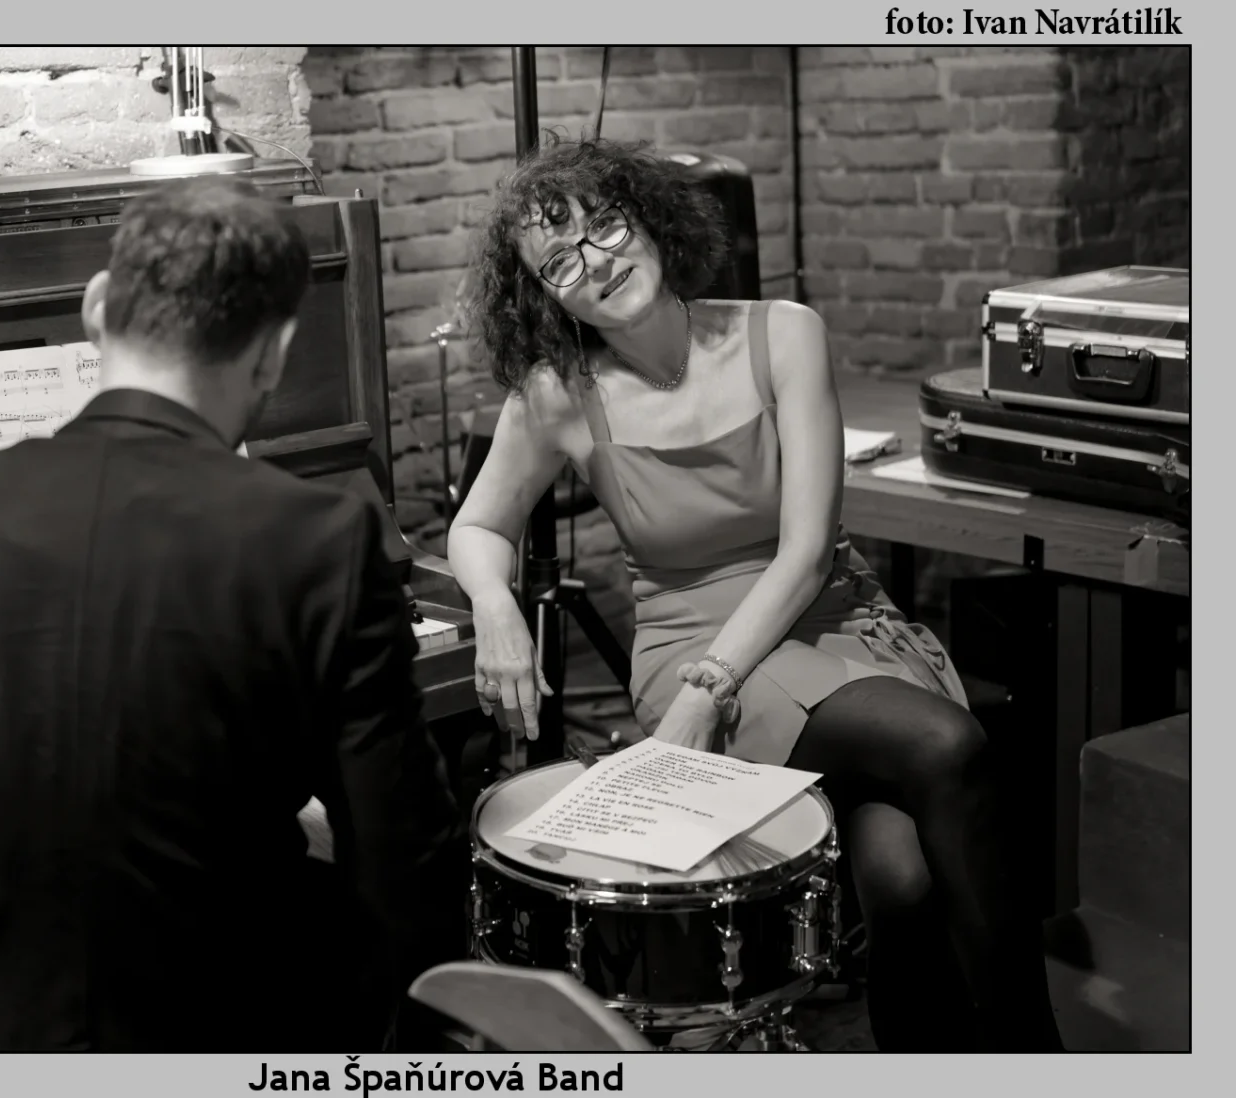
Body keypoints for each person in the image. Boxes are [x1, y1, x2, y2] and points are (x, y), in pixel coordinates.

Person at [0, 177, 467, 1052]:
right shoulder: (320, 537)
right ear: (274, 355)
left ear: (96, 307)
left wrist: (8, 798)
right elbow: (401, 862)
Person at [446, 138, 1063, 1052]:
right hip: (691, 644)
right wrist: (496, 609)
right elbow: (477, 527)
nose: (597, 263)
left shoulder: (783, 332)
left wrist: (711, 692)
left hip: (830, 618)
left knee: (902, 880)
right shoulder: (558, 394)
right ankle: (1038, 1055)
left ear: (647, 216)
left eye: (604, 226)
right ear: (546, 297)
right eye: (560, 263)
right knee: (945, 745)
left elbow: (807, 552)